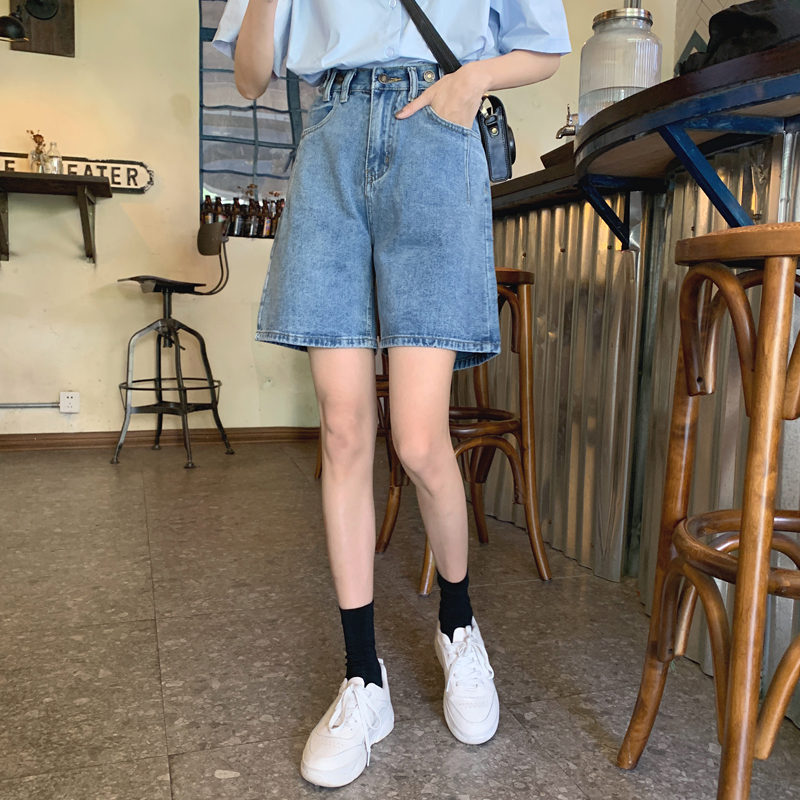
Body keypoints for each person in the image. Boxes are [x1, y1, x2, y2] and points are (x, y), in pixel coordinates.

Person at [213, 0, 570, 787]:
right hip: (331, 140)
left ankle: (459, 625)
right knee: (343, 430)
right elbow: (248, 77)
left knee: (417, 437)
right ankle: (362, 678)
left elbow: (545, 49)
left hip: (434, 133)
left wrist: (471, 80)